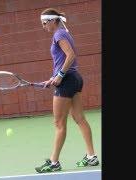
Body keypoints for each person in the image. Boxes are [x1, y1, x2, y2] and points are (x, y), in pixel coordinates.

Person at [35, 8, 99, 173]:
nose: (43, 26)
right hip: (74, 78)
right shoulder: (64, 33)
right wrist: (53, 78)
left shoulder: (59, 35)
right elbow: (62, 60)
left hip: (67, 80)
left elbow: (70, 55)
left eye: (44, 22)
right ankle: (92, 157)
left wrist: (60, 75)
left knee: (59, 123)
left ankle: (54, 162)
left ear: (53, 21)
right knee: (80, 119)